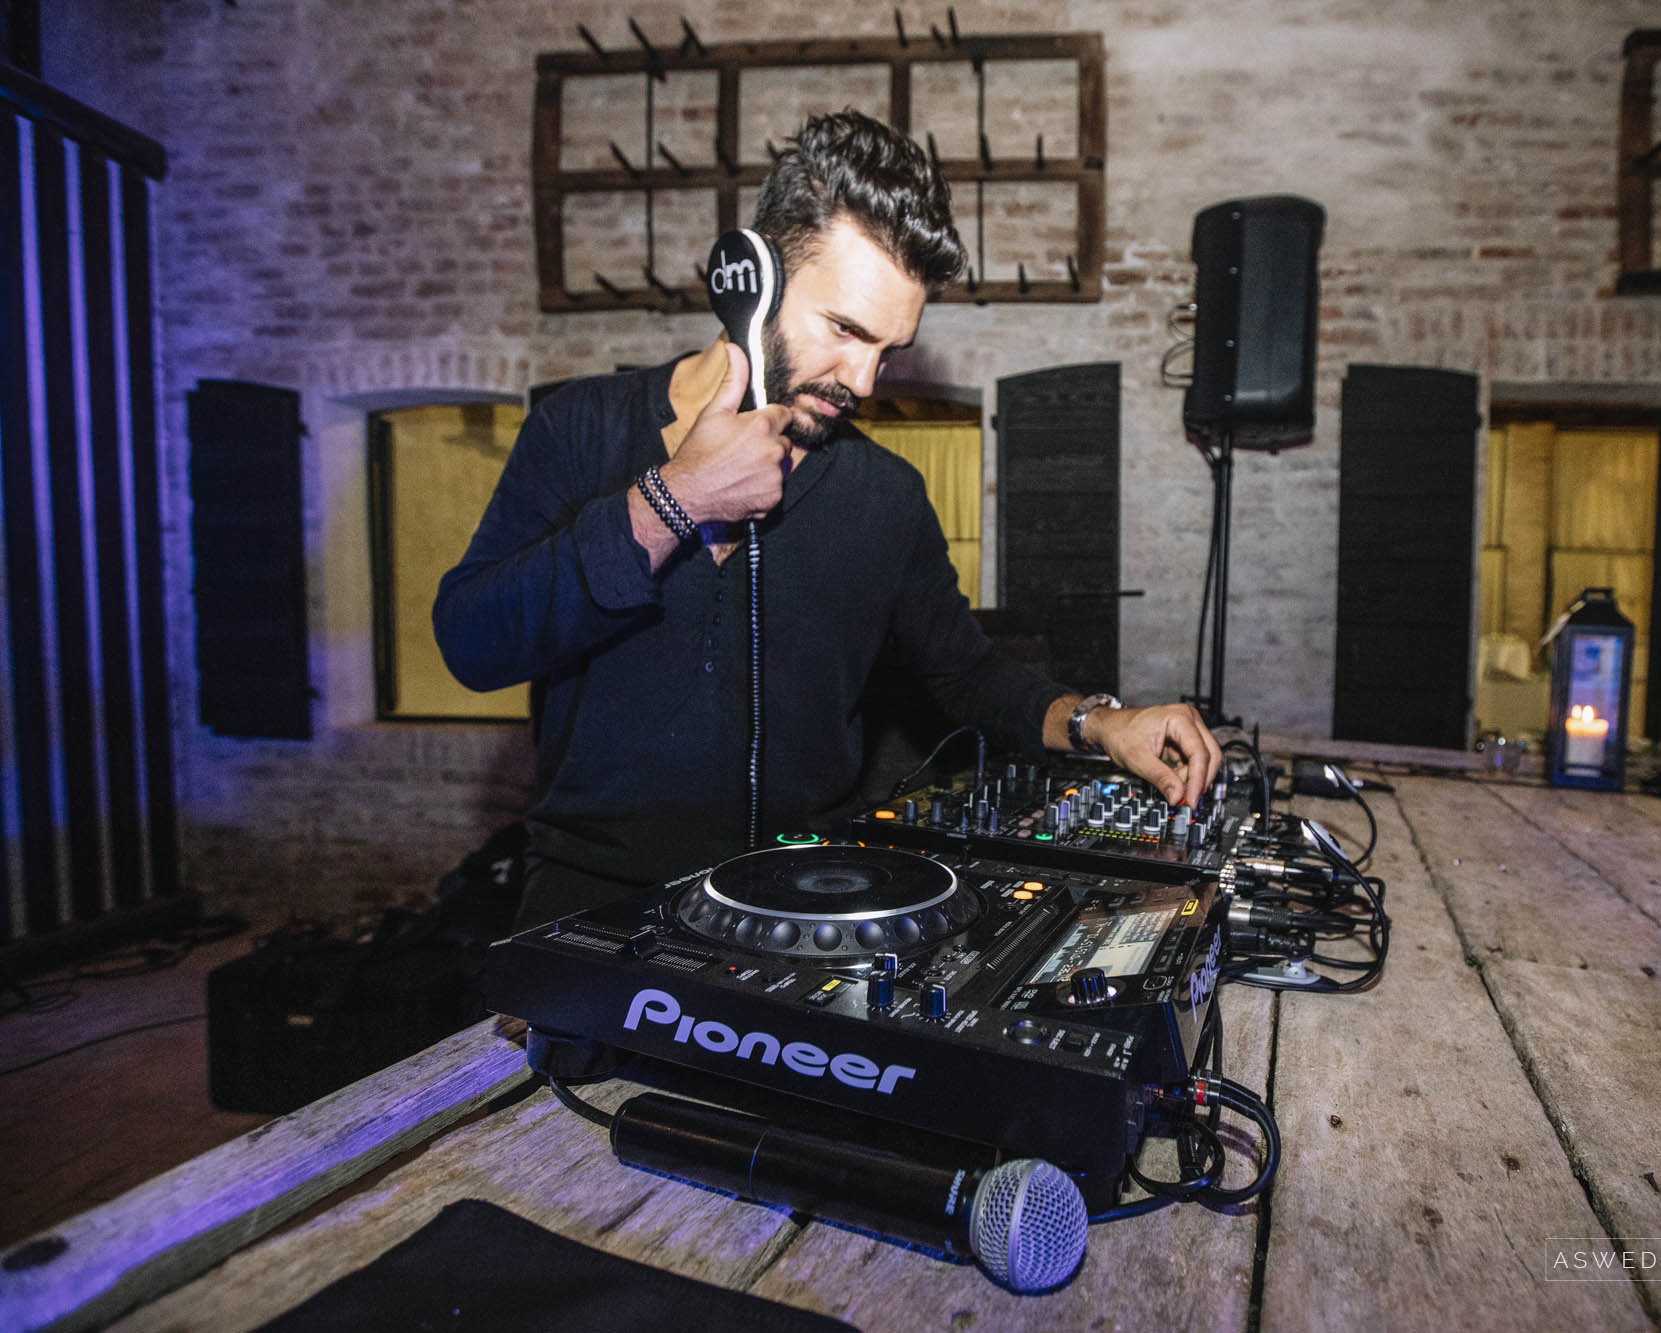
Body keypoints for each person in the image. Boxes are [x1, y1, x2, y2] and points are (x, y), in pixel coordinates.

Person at [435, 110, 1222, 926]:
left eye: (889, 348)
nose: (864, 379)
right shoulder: (579, 428)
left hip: (805, 912)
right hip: (586, 915)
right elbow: (473, 639)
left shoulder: (885, 497)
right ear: (754, 279)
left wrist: (1105, 723)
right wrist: (674, 502)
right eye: (845, 329)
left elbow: (970, 676)